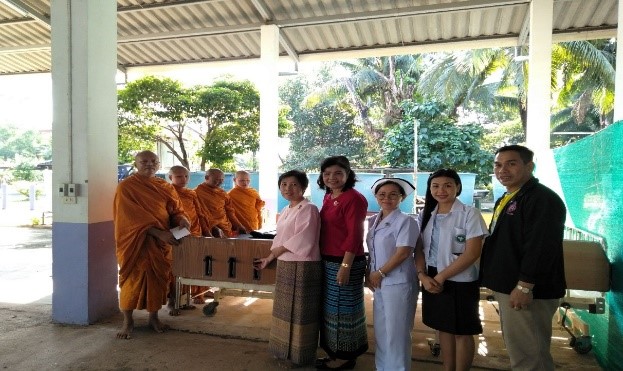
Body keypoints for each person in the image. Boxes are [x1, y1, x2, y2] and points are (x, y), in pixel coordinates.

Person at [480, 145, 566, 370]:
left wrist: (525, 286)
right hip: (511, 287)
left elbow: (541, 246)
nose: (503, 170)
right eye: (498, 165)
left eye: (511, 163)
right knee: (521, 350)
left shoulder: (541, 199)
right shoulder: (509, 196)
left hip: (528, 291)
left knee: (531, 355)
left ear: (530, 166)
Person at [415, 168, 489, 371]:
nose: (441, 190)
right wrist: (422, 275)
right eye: (435, 186)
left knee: (462, 331)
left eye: (448, 185)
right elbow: (419, 249)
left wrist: (440, 277)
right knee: (444, 329)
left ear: (457, 187)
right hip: (431, 277)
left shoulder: (469, 213)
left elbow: (472, 253)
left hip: (460, 281)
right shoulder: (426, 215)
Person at [113, 150, 191, 339]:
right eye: (144, 161)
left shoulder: (164, 186)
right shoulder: (127, 187)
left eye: (153, 161)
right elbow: (129, 219)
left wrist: (182, 219)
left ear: (158, 164)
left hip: (161, 243)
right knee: (132, 280)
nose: (149, 164)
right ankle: (128, 321)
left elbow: (175, 210)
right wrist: (157, 233)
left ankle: (154, 318)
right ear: (136, 164)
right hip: (136, 243)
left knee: (158, 280)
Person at [254, 170, 322, 368]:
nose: (288, 189)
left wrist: (277, 252)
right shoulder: (286, 210)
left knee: (300, 313)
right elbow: (280, 239)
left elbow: (304, 238)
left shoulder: (308, 208)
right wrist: (269, 257)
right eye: (284, 184)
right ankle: (283, 351)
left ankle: (299, 356)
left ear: (302, 187)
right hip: (285, 263)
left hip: (303, 264)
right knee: (284, 311)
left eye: (293, 184)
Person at [316, 155, 368, 370]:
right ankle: (335, 352)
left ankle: (345, 356)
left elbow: (355, 235)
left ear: (348, 175)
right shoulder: (329, 196)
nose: (332, 177)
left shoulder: (353, 198)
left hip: (346, 261)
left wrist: (345, 266)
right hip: (328, 260)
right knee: (331, 309)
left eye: (338, 173)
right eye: (327, 173)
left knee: (343, 310)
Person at [366, 177, 420, 371]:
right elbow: (372, 250)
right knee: (382, 330)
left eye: (392, 195)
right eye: (382, 194)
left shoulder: (406, 221)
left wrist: (380, 272)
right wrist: (371, 274)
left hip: (398, 283)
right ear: (376, 197)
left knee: (397, 333)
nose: (386, 198)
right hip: (379, 282)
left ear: (401, 197)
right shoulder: (374, 220)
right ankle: (383, 368)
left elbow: (404, 252)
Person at [168, 165, 213, 310]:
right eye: (179, 176)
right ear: (170, 178)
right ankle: (173, 299)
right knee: (177, 267)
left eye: (186, 176)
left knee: (195, 264)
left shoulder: (191, 193)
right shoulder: (166, 192)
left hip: (194, 231)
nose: (184, 179)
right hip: (176, 233)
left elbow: (199, 213)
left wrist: (206, 231)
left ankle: (195, 294)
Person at [195, 168, 247, 237]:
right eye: (216, 180)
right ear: (206, 177)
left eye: (222, 180)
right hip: (208, 229)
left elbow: (230, 212)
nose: (219, 182)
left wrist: (239, 225)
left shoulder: (223, 193)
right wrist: (212, 227)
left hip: (225, 227)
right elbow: (199, 214)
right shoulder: (197, 193)